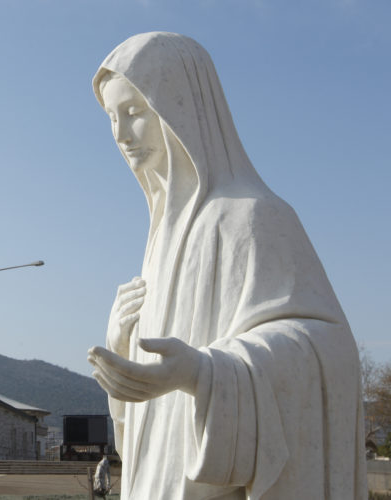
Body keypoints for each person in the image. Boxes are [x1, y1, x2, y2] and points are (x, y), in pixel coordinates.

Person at [86, 32, 366, 499]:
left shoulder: (254, 216)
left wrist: (204, 372)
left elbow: (328, 350)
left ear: (183, 109)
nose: (120, 134)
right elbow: (140, 426)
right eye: (112, 117)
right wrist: (123, 345)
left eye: (134, 111)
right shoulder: (161, 237)